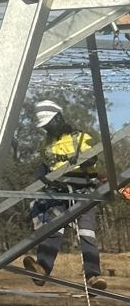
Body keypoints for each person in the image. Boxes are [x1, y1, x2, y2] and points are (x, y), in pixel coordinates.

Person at [21, 100, 106, 293]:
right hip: (59, 193)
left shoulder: (81, 137)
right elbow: (45, 164)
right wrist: (43, 176)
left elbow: (93, 155)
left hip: (83, 191)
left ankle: (93, 276)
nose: (46, 130)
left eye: (48, 124)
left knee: (87, 233)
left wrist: (86, 159)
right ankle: (42, 268)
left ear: (58, 119)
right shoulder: (47, 143)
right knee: (53, 229)